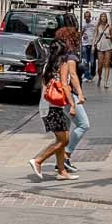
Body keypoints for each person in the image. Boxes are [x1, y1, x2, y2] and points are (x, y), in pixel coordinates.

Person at [28, 38, 76, 182]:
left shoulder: (47, 65)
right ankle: (38, 160)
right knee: (64, 140)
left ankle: (61, 171)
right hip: (53, 107)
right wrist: (72, 104)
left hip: (46, 105)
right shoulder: (63, 64)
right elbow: (64, 85)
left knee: (62, 138)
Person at [55, 25, 89, 173]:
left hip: (61, 96)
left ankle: (61, 164)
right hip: (70, 95)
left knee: (66, 130)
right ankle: (66, 155)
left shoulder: (60, 54)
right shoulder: (70, 55)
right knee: (83, 125)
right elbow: (73, 75)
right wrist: (80, 93)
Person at [94, 11, 112, 88]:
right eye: (102, 16)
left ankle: (105, 82)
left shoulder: (109, 26)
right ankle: (99, 77)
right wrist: (93, 45)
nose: (103, 18)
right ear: (100, 18)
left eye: (104, 17)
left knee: (107, 64)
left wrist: (110, 37)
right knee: (100, 66)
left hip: (108, 46)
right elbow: (95, 36)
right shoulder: (97, 26)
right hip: (100, 46)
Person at [80, 10, 96, 80]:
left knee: (92, 61)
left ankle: (93, 73)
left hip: (92, 44)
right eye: (85, 16)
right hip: (85, 43)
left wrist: (95, 43)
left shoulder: (94, 23)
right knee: (86, 61)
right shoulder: (83, 24)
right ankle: (87, 75)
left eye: (88, 16)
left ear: (90, 17)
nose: (87, 18)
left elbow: (96, 33)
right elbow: (81, 33)